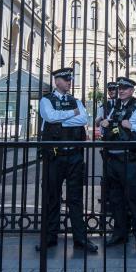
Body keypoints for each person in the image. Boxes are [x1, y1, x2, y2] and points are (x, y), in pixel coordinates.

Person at [38, 67, 97, 253]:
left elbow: (83, 120)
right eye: (66, 79)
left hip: (74, 156)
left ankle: (80, 239)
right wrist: (71, 115)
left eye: (70, 79)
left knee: (76, 198)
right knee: (51, 197)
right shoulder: (46, 100)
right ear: (57, 82)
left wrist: (61, 119)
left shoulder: (76, 101)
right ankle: (50, 237)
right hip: (54, 156)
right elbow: (49, 116)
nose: (69, 82)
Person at [100, 76, 136, 251]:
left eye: (125, 88)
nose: (121, 91)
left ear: (132, 90)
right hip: (112, 159)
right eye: (119, 88)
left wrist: (132, 127)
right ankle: (120, 235)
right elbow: (109, 129)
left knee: (133, 200)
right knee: (116, 201)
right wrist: (104, 124)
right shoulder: (115, 107)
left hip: (129, 160)